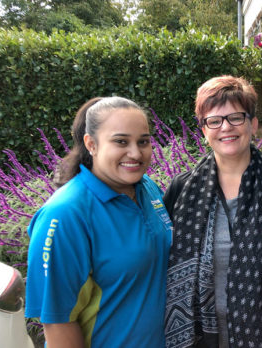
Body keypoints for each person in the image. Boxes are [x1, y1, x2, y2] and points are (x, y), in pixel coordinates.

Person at [163, 75, 262, 348]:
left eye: (236, 117)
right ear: (203, 130)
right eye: (214, 120)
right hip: (200, 339)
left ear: (253, 124)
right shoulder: (181, 190)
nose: (226, 127)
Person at [25, 97, 172, 347]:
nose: (135, 153)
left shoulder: (148, 189)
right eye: (121, 141)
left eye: (143, 141)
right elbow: (58, 322)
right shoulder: (65, 215)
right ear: (91, 144)